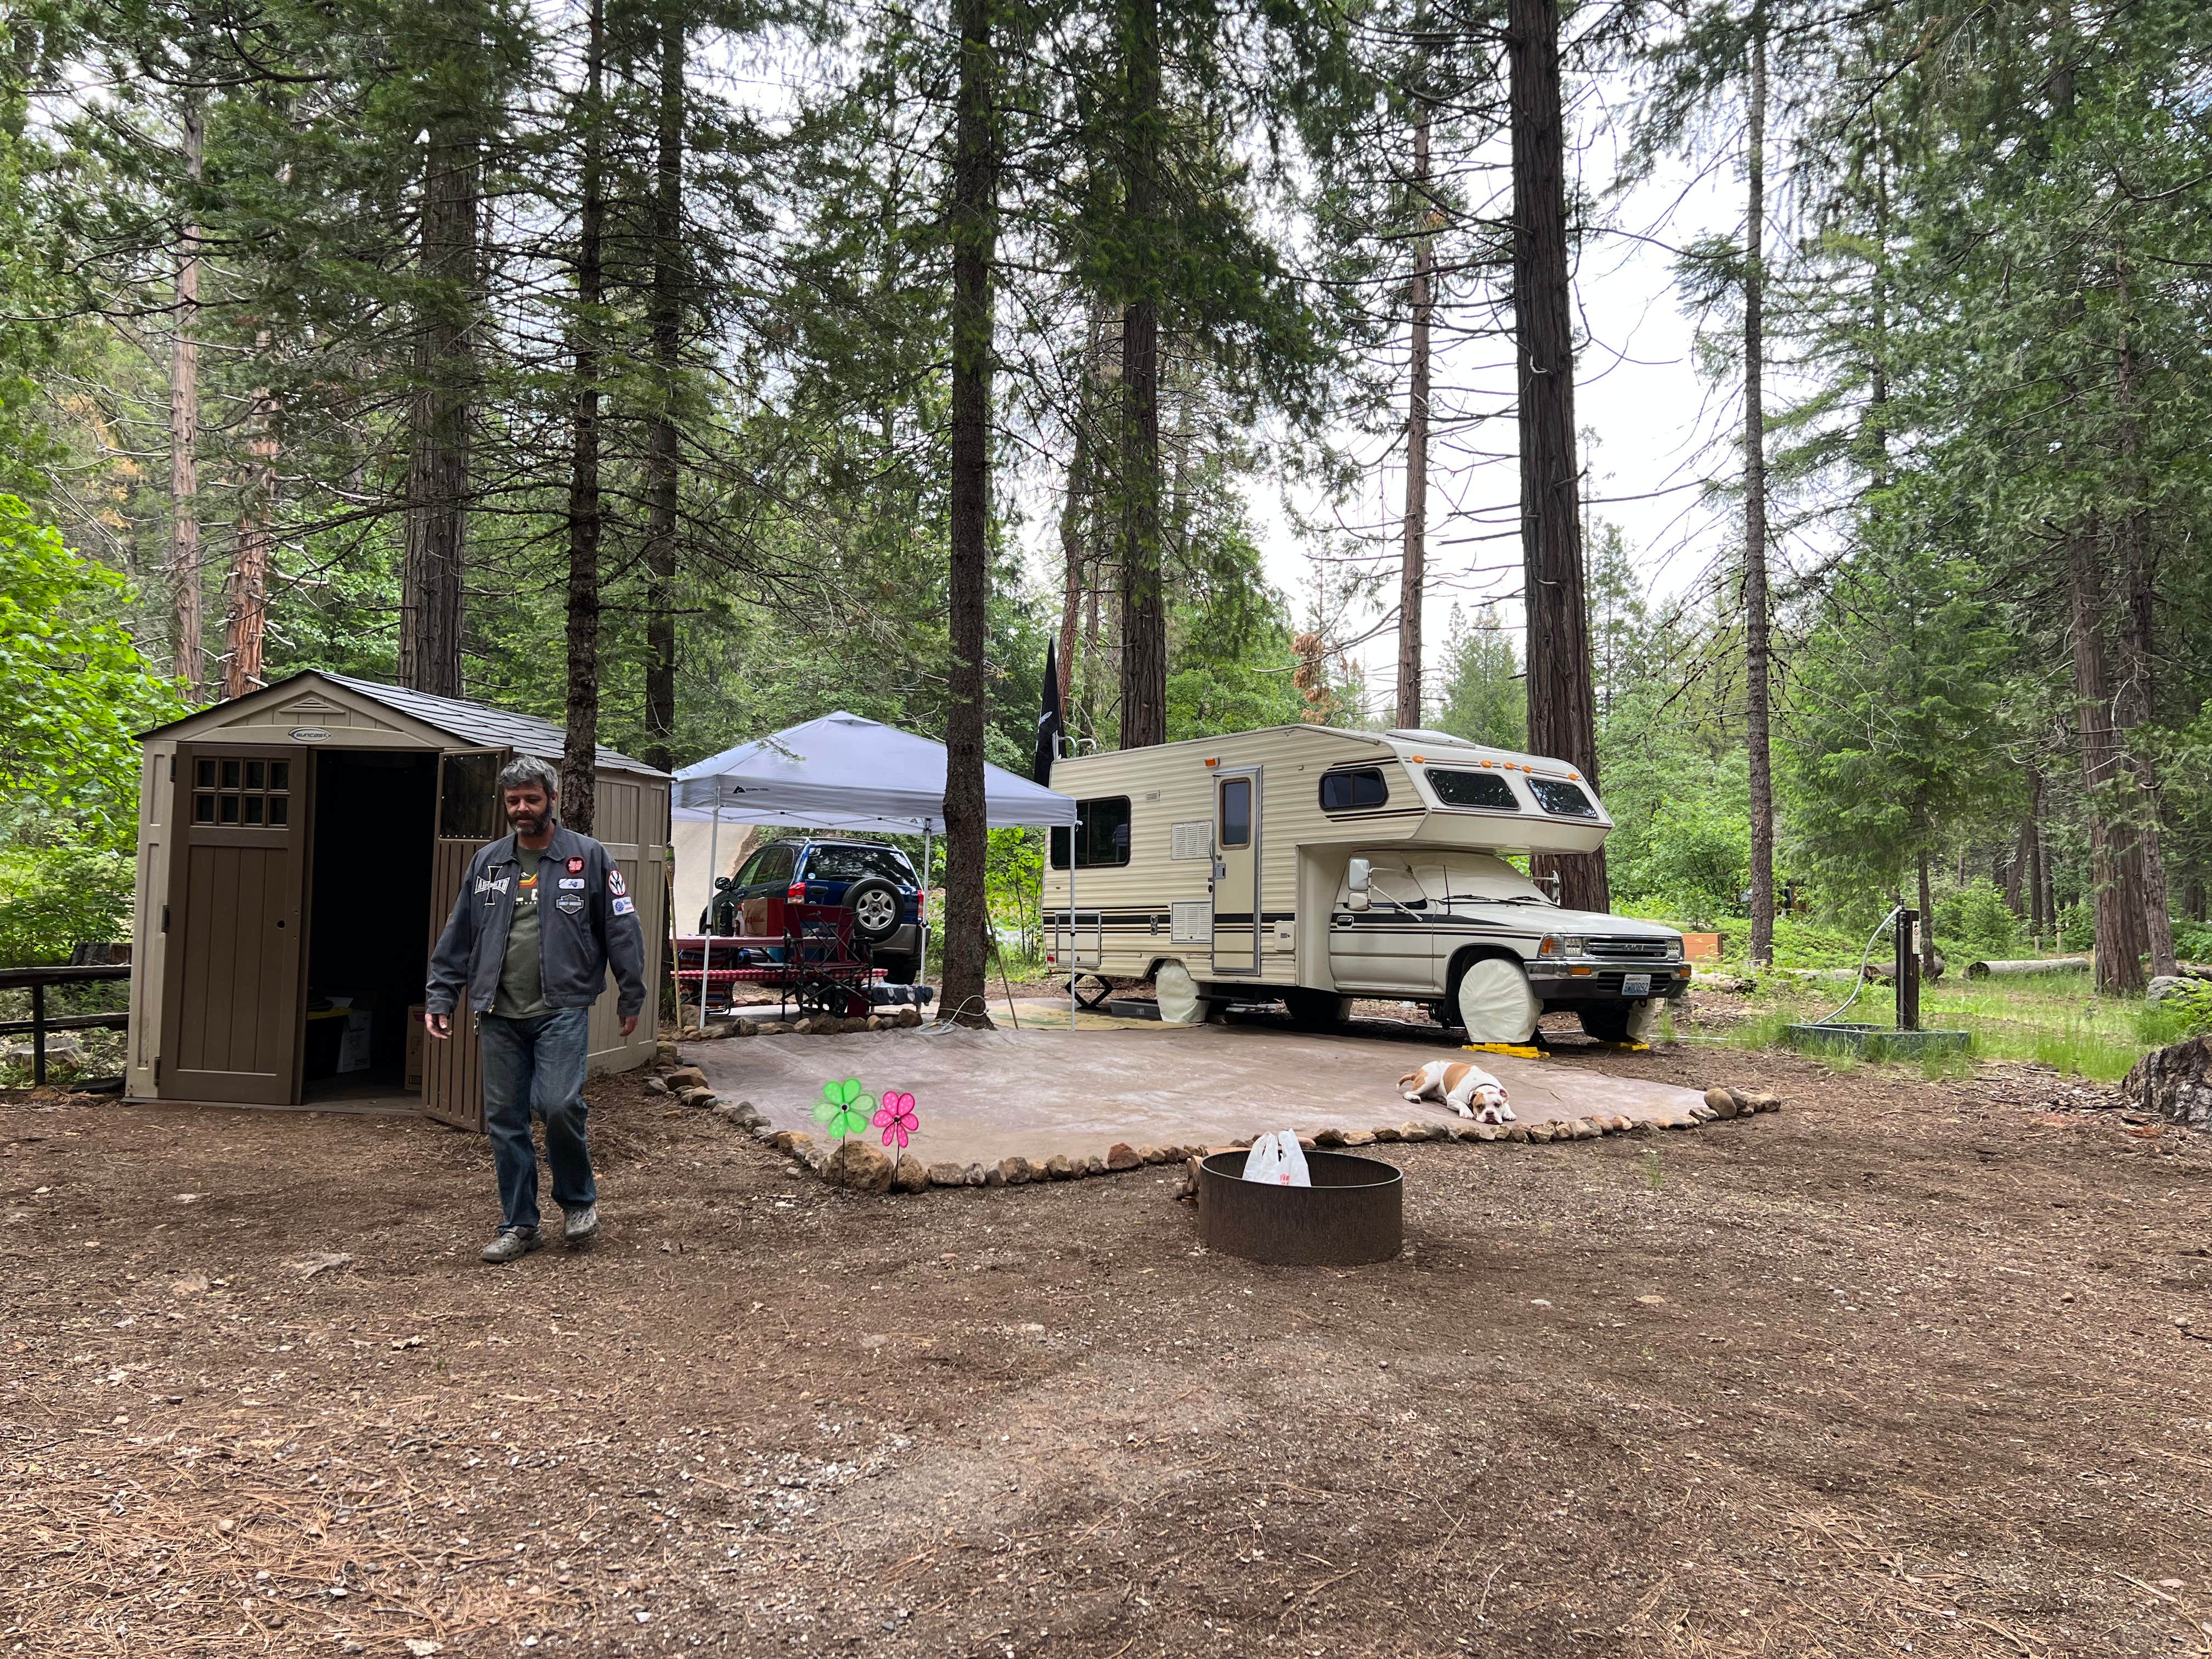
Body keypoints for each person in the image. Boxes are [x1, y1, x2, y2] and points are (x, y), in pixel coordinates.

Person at [425, 755, 646, 1264]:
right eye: (513, 801)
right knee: (505, 1119)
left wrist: (631, 995)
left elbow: (622, 931)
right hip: (499, 1012)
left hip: (561, 1008)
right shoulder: (489, 862)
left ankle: (577, 1202)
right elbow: (459, 933)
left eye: (531, 799)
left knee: (558, 1103)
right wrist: (443, 993)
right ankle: (520, 1224)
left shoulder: (588, 857)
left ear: (551, 800)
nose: (522, 809)